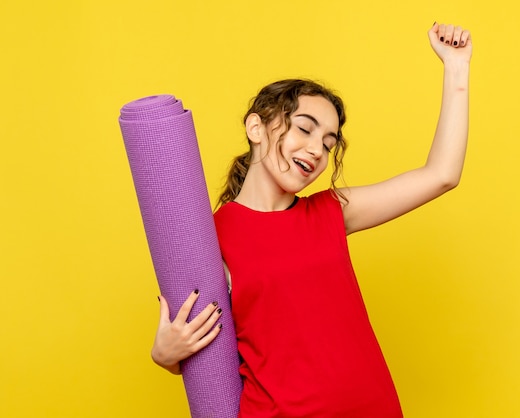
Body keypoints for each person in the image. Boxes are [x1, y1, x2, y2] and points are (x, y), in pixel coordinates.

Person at [151, 22, 472, 417]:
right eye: (304, 128)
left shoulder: (331, 212)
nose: (317, 150)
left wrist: (456, 68)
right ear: (257, 127)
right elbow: (197, 347)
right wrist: (164, 355)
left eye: (328, 142)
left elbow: (442, 175)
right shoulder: (208, 237)